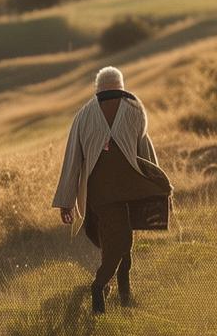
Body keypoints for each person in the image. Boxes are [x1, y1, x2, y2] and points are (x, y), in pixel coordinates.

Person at [52, 66, 172, 313]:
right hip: (130, 189)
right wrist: (156, 186)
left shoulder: (83, 115)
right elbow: (145, 154)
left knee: (116, 240)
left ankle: (122, 293)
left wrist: (67, 201)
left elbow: (72, 160)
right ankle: (100, 287)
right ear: (121, 86)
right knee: (121, 241)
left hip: (101, 195)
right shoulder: (135, 109)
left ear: (97, 89)